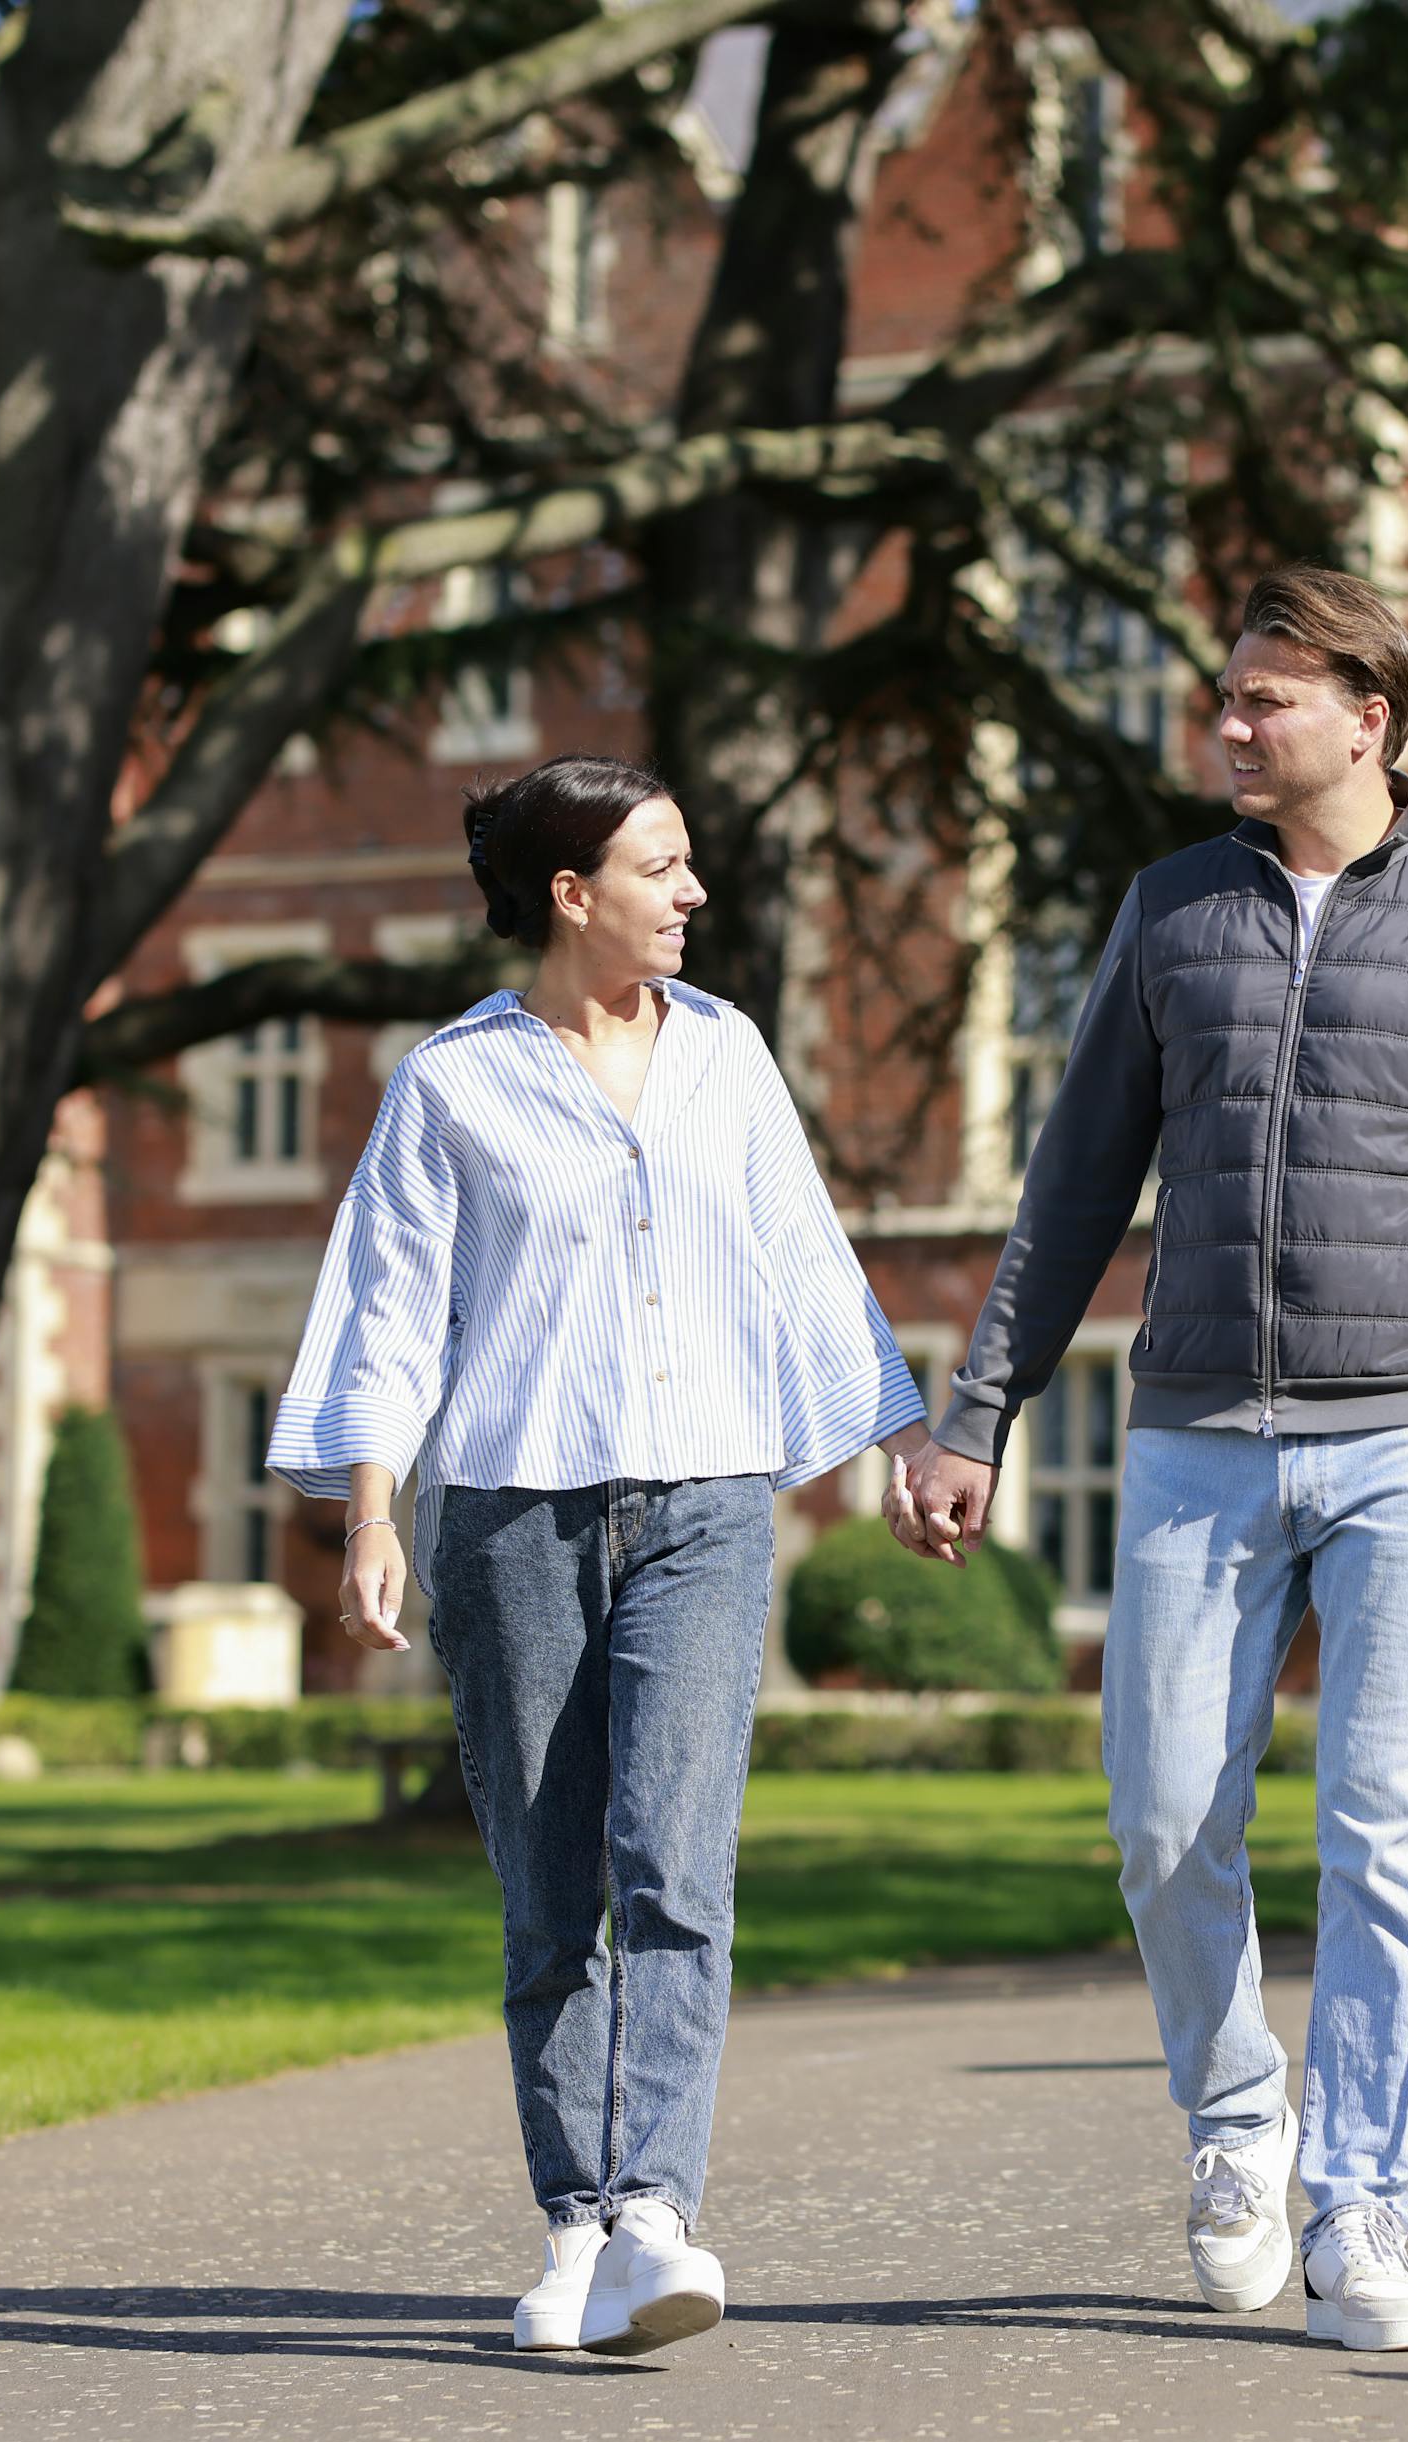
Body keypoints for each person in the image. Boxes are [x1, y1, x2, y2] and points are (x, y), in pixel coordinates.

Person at [895, 565, 1408, 2351]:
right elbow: (1072, 1189)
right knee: (1158, 1826)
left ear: (1371, 719)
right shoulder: (1172, 914)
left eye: (1262, 700)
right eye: (1225, 695)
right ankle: (1239, 2130)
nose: (1226, 722)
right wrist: (977, 1404)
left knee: (1387, 1842)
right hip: (1196, 1431)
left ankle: (1362, 2208)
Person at [269, 753, 938, 2357]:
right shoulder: (453, 1082)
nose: (694, 893)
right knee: (551, 1879)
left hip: (708, 1496)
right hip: (513, 1509)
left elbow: (804, 1257)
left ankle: (655, 2209)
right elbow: (390, 1306)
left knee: (677, 1859)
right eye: (664, 867)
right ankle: (571, 2216)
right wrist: (372, 1514)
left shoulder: (728, 1055)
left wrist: (910, 1433)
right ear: (573, 895)